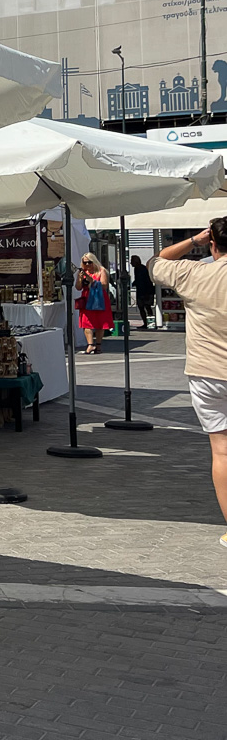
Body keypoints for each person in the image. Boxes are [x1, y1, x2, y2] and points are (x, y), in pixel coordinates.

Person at [150, 220, 227, 547]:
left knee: (222, 451)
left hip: (208, 371)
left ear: (213, 243)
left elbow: (157, 262)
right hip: (209, 371)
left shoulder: (195, 273)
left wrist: (195, 239)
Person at [76, 252, 113, 354]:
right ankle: (90, 345)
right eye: (85, 262)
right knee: (86, 322)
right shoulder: (83, 272)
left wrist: (91, 280)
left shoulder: (101, 271)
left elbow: (104, 285)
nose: (87, 265)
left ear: (94, 261)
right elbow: (78, 287)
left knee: (100, 323)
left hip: (99, 299)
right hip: (87, 299)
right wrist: (80, 278)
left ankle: (98, 345)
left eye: (89, 262)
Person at [132, 254, 157, 330]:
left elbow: (146, 280)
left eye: (132, 261)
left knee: (147, 307)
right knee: (142, 307)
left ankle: (150, 323)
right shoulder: (137, 269)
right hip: (141, 291)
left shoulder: (142, 269)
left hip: (146, 291)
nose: (131, 263)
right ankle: (146, 323)